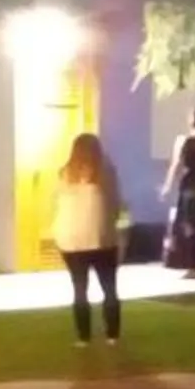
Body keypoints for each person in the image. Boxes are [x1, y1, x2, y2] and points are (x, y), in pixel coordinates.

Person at [52, 132, 125, 347]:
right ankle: (112, 334)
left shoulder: (64, 174)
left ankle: (83, 337)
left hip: (71, 239)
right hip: (101, 237)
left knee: (80, 288)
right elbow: (116, 204)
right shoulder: (106, 173)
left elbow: (56, 204)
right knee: (109, 287)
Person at [163, 108, 195, 277]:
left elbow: (176, 164)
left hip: (191, 188)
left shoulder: (184, 141)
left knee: (191, 227)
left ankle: (193, 267)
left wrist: (167, 186)